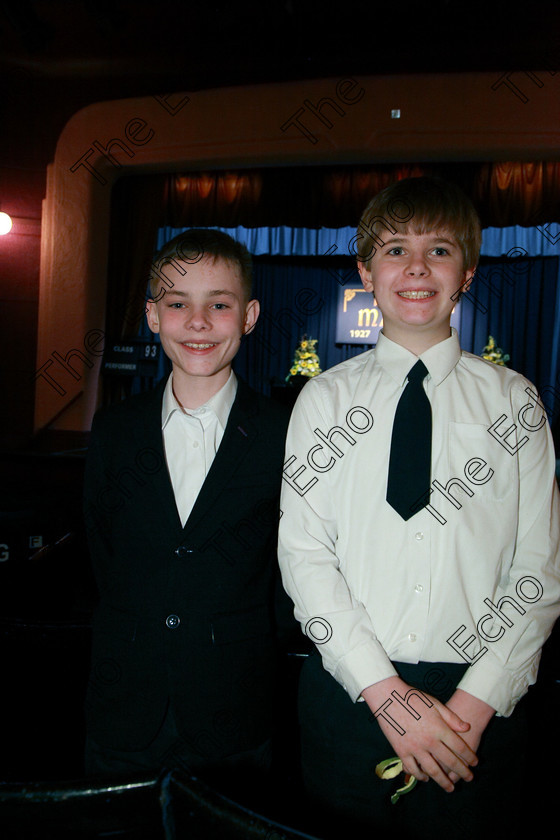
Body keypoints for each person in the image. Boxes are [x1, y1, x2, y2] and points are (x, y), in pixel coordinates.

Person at [278, 176, 560, 838]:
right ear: (365, 271)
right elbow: (304, 556)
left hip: (480, 703)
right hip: (353, 695)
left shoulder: (514, 400)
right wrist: (386, 694)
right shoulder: (322, 400)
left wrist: (473, 704)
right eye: (395, 249)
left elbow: (539, 569)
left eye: (438, 251)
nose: (415, 268)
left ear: (467, 271)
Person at [83, 229, 293, 804]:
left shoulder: (285, 433)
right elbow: (101, 553)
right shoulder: (114, 430)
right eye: (178, 304)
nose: (198, 322)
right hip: (125, 702)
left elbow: (289, 568)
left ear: (248, 316)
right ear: (153, 316)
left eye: (218, 304)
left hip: (235, 705)